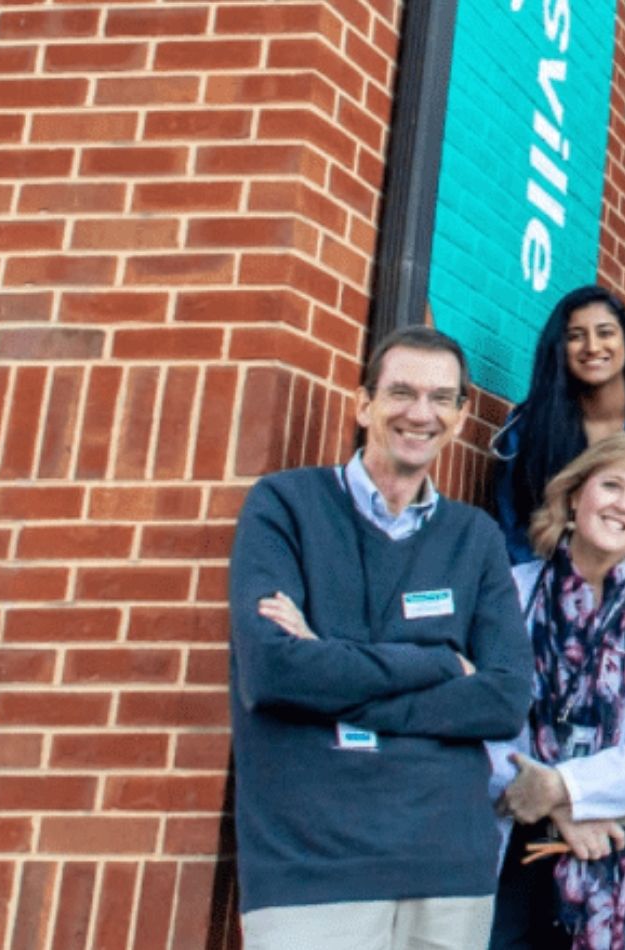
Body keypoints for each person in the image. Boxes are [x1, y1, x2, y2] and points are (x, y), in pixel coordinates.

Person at [226, 326, 529, 948]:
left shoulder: (475, 539)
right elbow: (275, 672)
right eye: (401, 392)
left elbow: (504, 700)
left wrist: (328, 660)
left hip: (449, 867)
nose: (421, 413)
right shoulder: (285, 506)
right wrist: (443, 663)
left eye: (442, 398)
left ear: (462, 416)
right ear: (363, 403)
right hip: (309, 866)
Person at [487, 434, 625, 948]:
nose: (623, 506)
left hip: (618, 854)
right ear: (573, 496)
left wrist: (567, 787)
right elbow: (480, 719)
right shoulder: (510, 591)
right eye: (611, 485)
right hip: (514, 851)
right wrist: (557, 807)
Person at [493, 285, 625, 564]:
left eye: (605, 332)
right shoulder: (527, 425)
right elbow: (513, 526)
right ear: (560, 349)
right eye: (576, 336)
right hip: (546, 589)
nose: (592, 347)